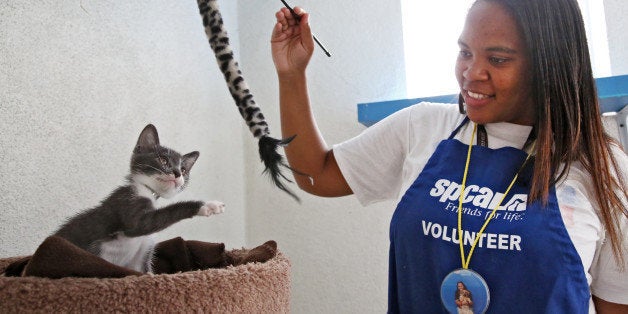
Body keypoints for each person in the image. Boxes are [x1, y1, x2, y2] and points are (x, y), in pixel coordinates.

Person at [271, 0, 628, 313]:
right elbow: (314, 174)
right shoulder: (422, 126)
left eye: (498, 59)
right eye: (465, 52)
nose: (471, 73)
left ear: (550, 64)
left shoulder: (603, 170)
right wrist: (291, 75)